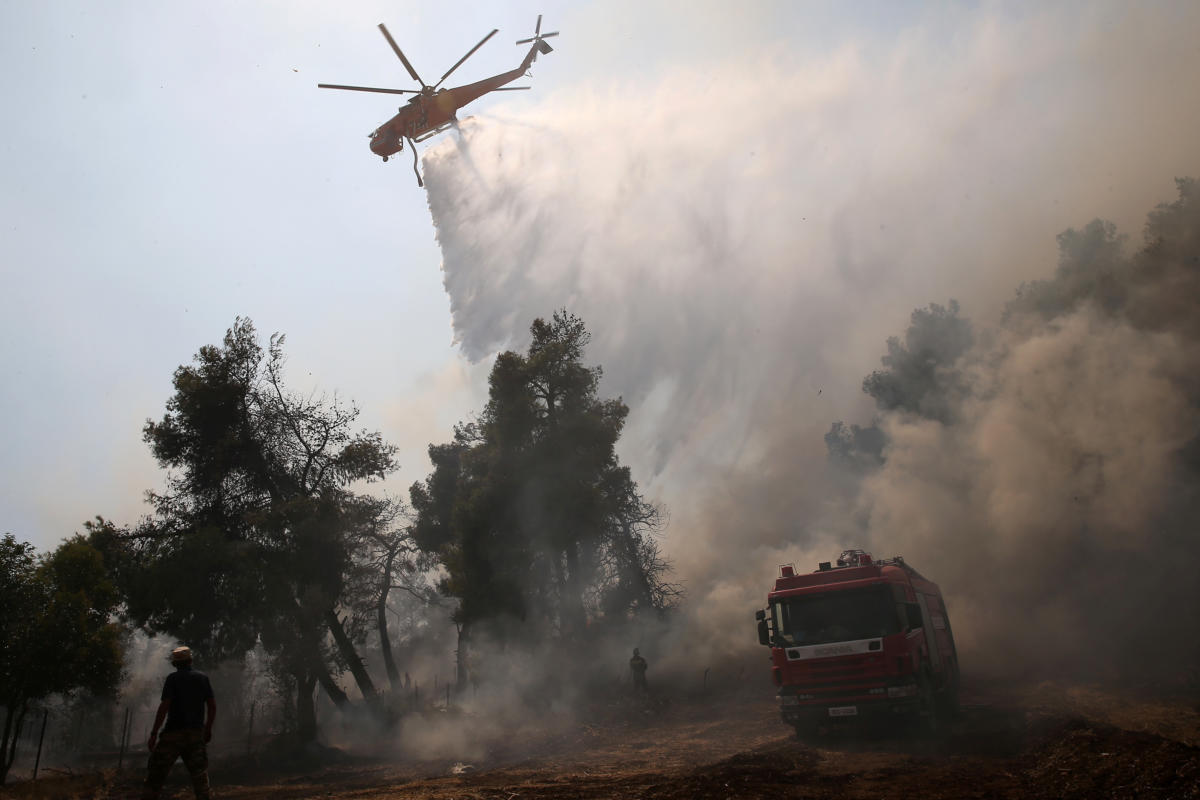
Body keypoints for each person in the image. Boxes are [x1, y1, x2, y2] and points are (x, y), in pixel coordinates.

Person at [143, 646, 216, 800]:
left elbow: (164, 707)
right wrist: (208, 729)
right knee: (200, 779)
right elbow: (212, 705)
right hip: (195, 735)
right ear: (190, 660)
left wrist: (154, 733)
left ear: (175, 664)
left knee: (155, 777)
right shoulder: (202, 678)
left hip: (172, 735)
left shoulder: (173, 679)